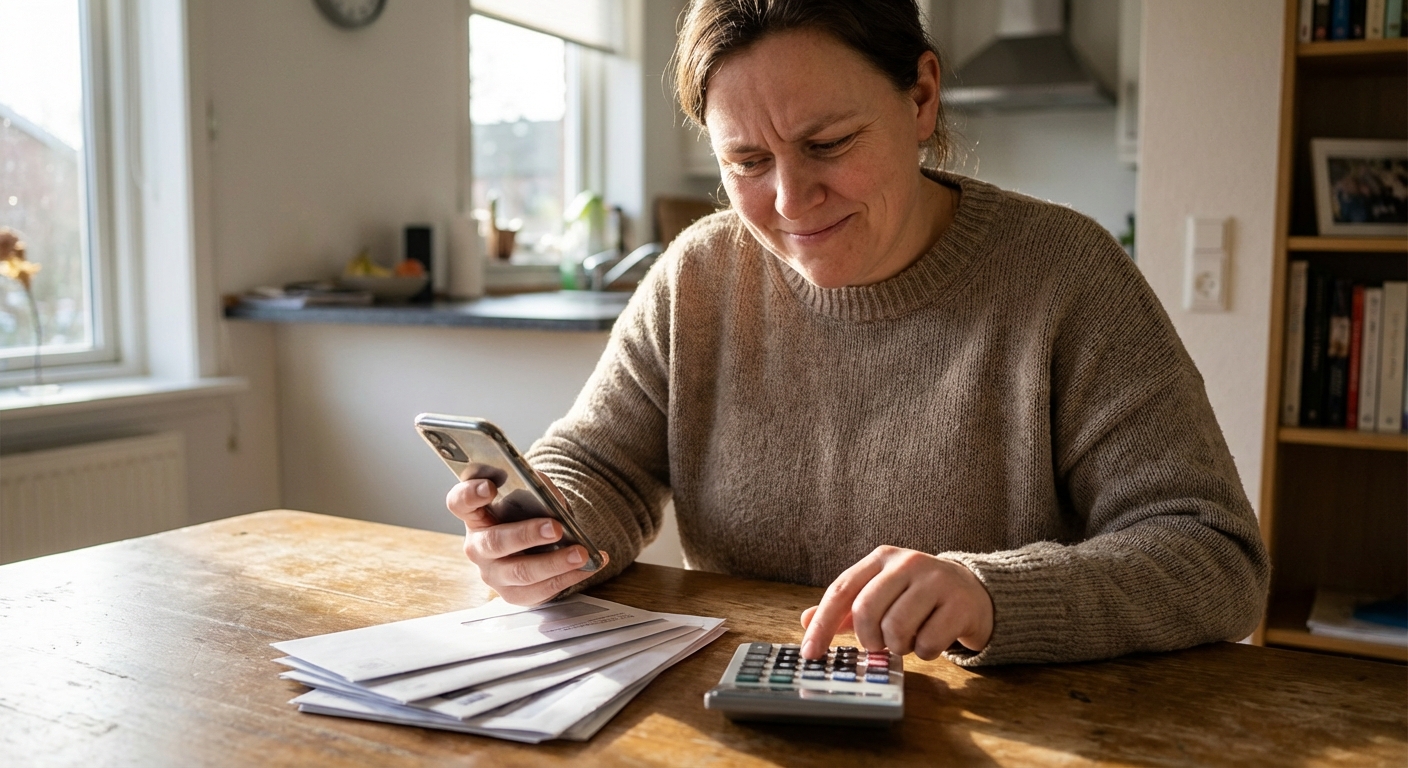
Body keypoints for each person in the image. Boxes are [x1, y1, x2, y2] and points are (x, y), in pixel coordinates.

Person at [446, 0, 1269, 666]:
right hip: (746, 718)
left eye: (828, 144)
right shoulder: (698, 274)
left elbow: (1216, 557)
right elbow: (597, 465)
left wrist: (989, 594)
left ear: (920, 98)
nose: (791, 201)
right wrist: (541, 526)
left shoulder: (1065, 272)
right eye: (747, 163)